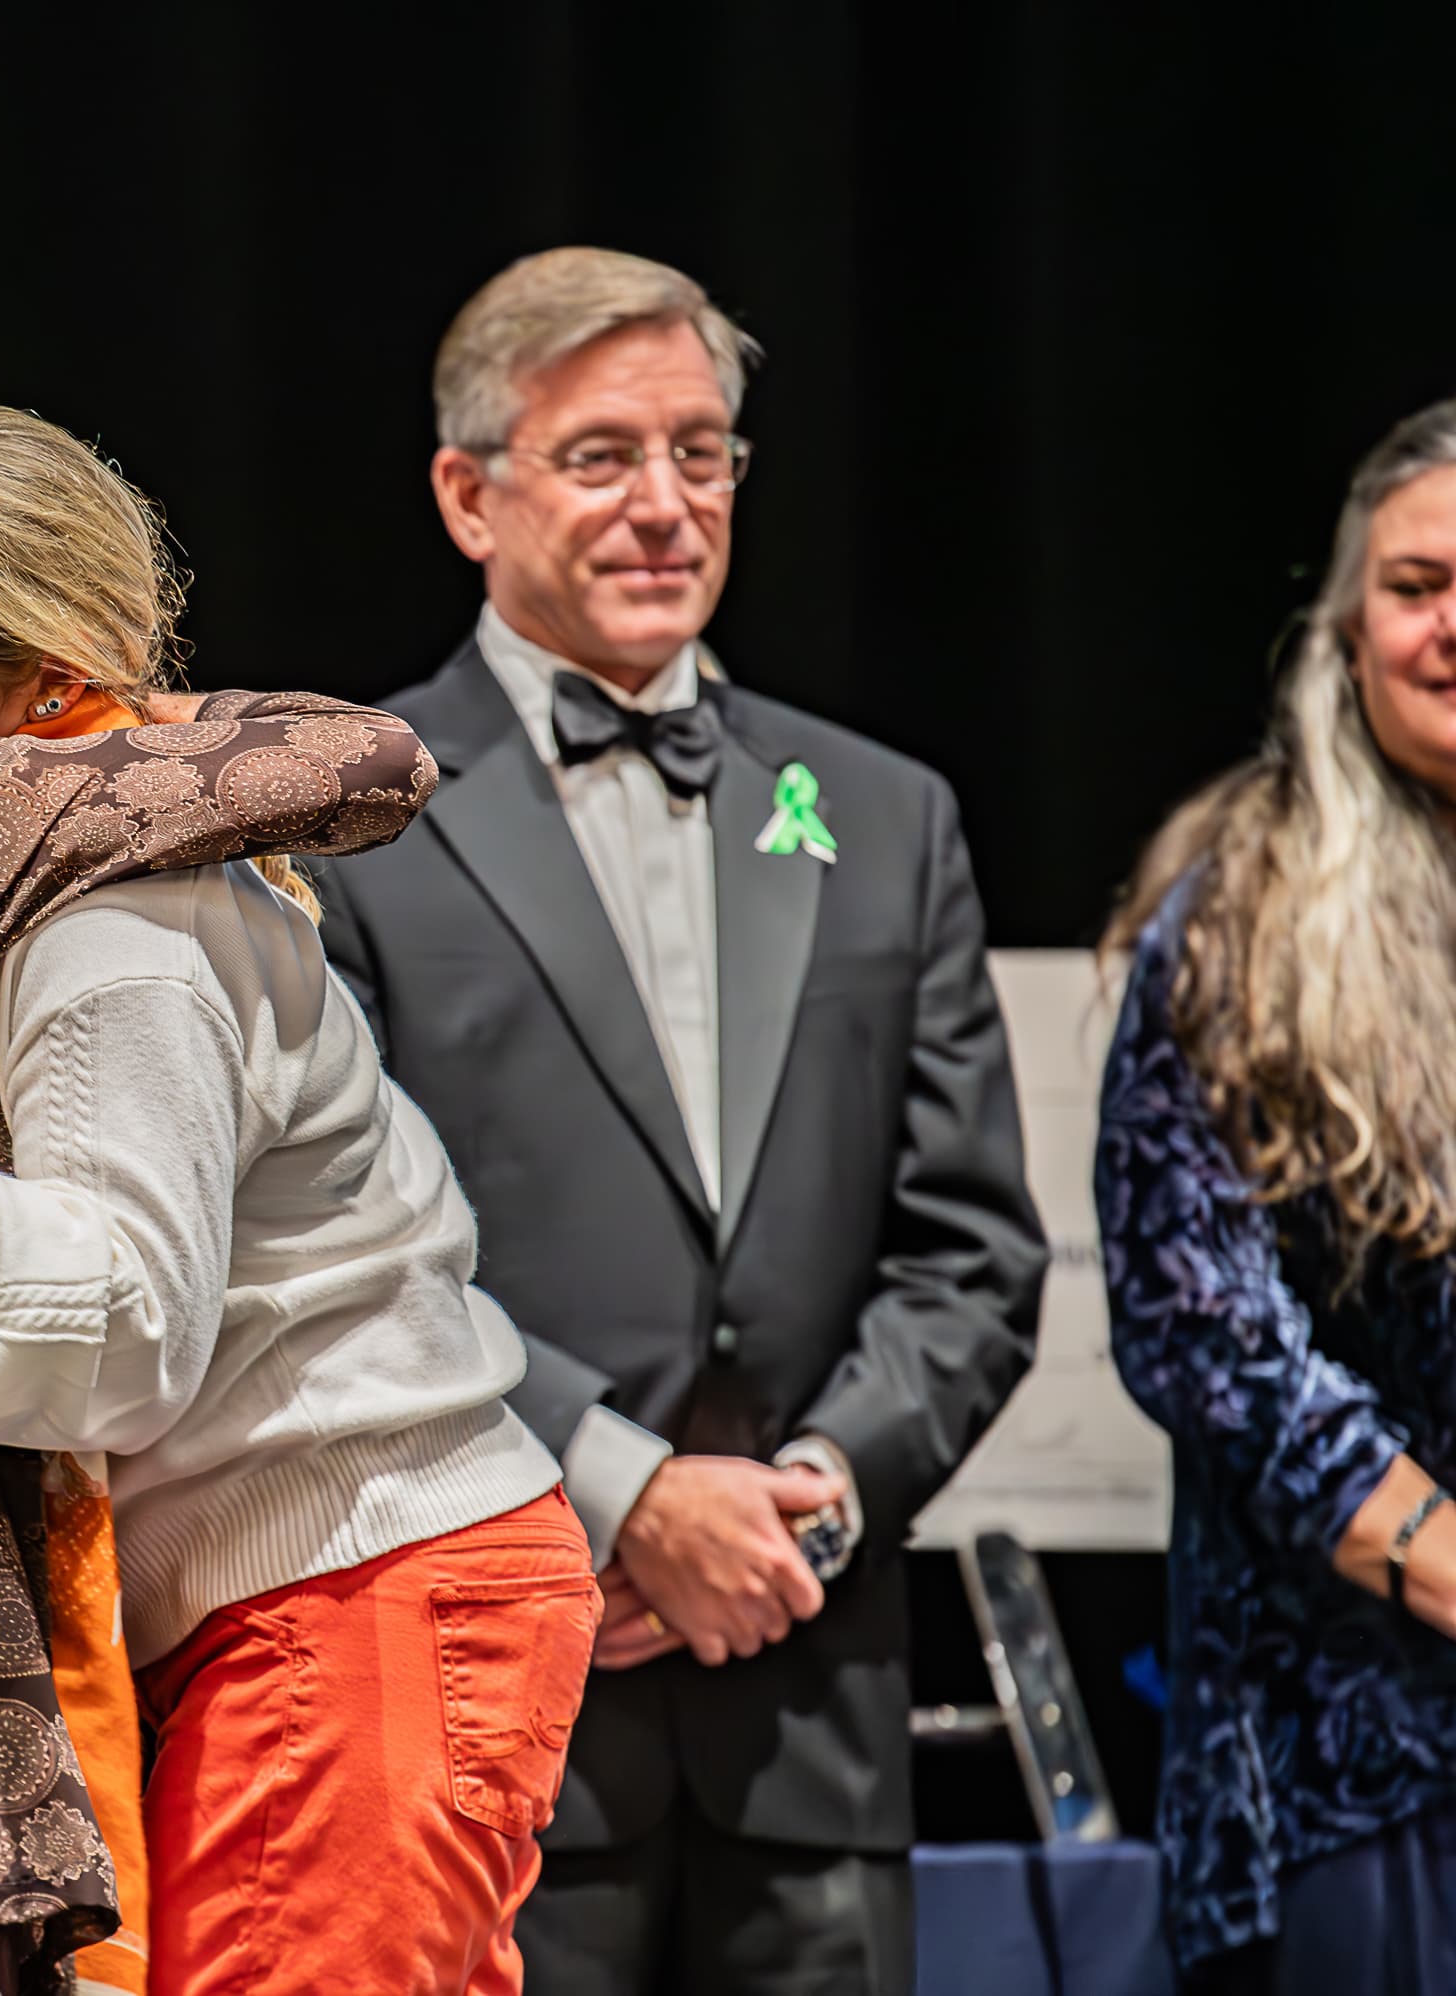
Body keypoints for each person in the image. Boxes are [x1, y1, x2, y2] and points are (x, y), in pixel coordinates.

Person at [0, 401, 593, 1995]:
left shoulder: (115, 931)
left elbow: (121, 1343)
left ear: (52, 681)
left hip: (355, 1590)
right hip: (299, 1599)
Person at [309, 247, 1046, 1994]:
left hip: (812, 1715)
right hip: (494, 1712)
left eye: (701, 453)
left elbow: (973, 1252)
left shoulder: (886, 813)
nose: (665, 504)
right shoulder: (343, 812)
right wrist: (627, 1496)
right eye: (601, 456)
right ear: (467, 497)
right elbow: (331, 1255)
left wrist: (808, 1508)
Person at [1099, 400, 1456, 1993]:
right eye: (1417, 586)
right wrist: (1436, 1550)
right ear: (1349, 630)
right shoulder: (1241, 918)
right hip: (1348, 1762)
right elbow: (1200, 1329)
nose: (1451, 626)